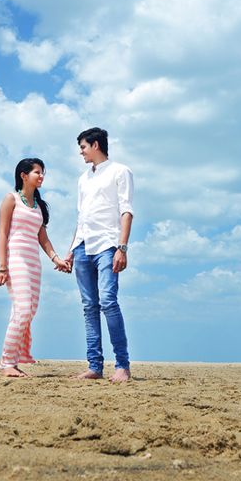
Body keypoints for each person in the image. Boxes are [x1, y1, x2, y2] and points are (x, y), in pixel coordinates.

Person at [63, 127, 134, 383]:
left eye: (82, 147)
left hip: (108, 245)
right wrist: (71, 250)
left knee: (107, 301)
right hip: (83, 247)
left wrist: (122, 248)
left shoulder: (120, 171)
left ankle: (122, 365)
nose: (81, 152)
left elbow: (126, 211)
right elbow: (81, 218)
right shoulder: (83, 179)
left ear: (95, 145)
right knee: (89, 307)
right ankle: (95, 366)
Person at [0, 158, 69, 378]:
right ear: (23, 175)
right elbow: (2, 233)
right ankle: (7, 362)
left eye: (43, 172)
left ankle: (15, 359)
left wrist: (56, 259)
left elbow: (43, 239)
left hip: (34, 264)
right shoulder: (11, 199)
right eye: (37, 172)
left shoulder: (39, 206)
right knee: (24, 309)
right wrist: (1, 267)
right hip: (15, 260)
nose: (41, 176)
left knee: (26, 312)